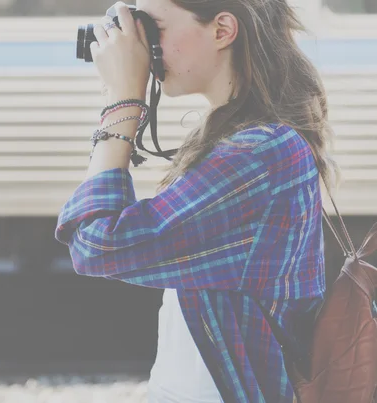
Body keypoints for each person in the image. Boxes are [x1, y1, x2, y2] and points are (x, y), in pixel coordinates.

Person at [54, 0, 339, 401]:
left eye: (155, 28)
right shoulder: (247, 140)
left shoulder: (259, 153)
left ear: (223, 30)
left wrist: (122, 103)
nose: (144, 45)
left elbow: (96, 244)